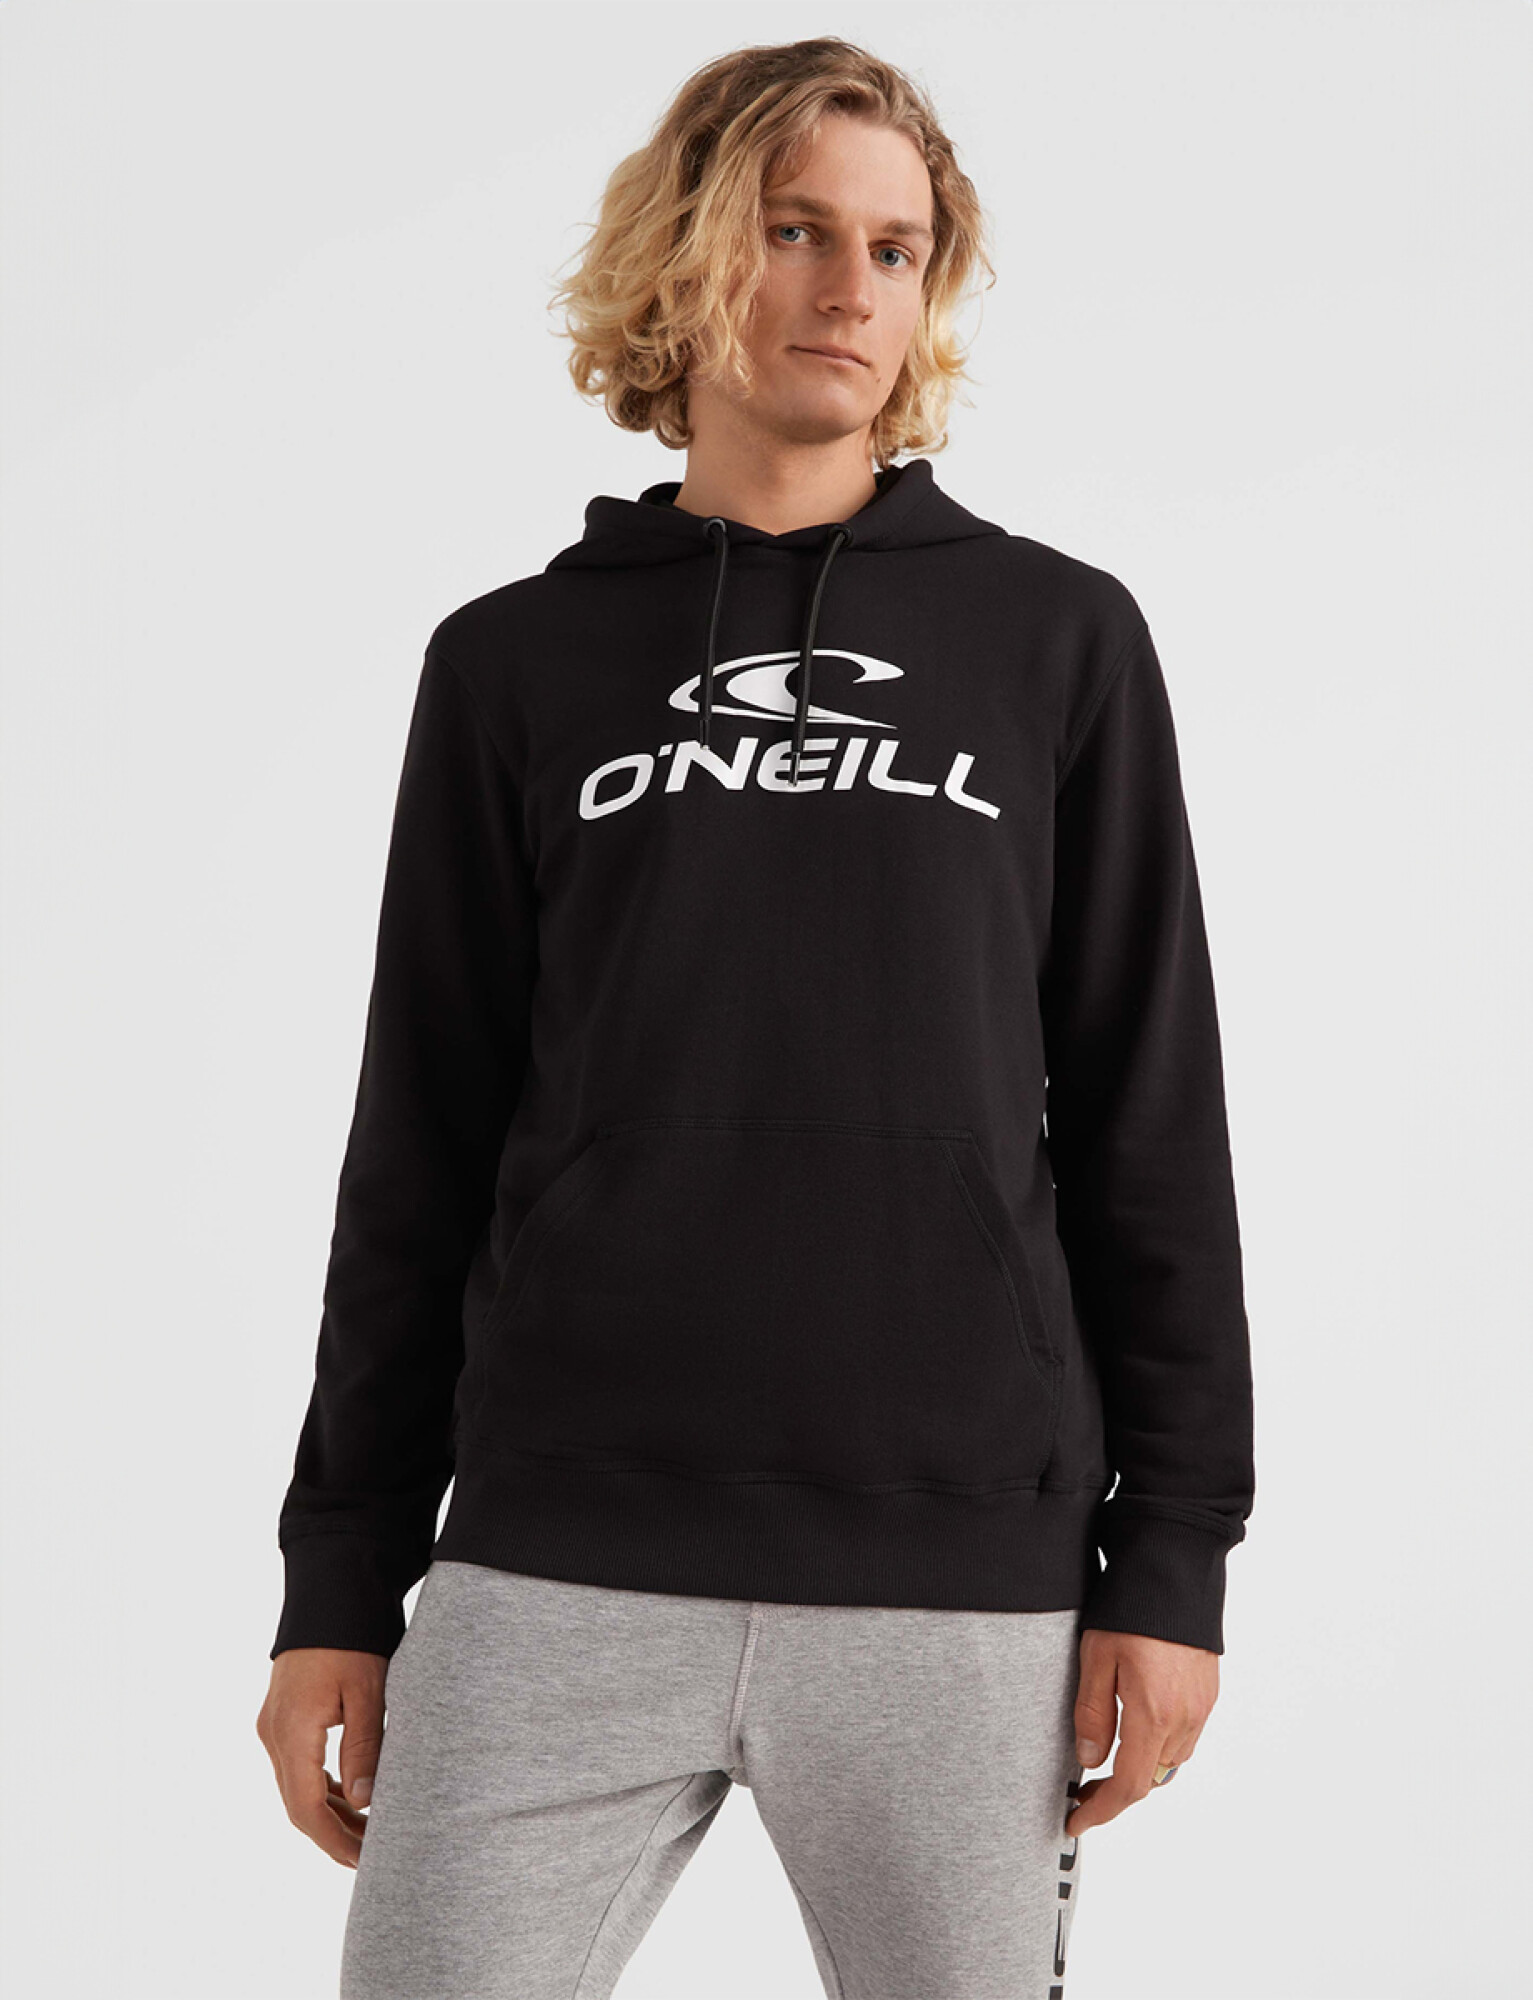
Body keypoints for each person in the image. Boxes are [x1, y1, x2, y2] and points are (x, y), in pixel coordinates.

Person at [256, 36, 1255, 2000]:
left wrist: (1173, 1555)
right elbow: (419, 1143)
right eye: (795, 229)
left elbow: (1151, 1114)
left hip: (952, 1572)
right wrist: (334, 1581)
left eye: (893, 247)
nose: (846, 288)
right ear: (686, 250)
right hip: (552, 1557)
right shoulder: (514, 664)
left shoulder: (1055, 643)